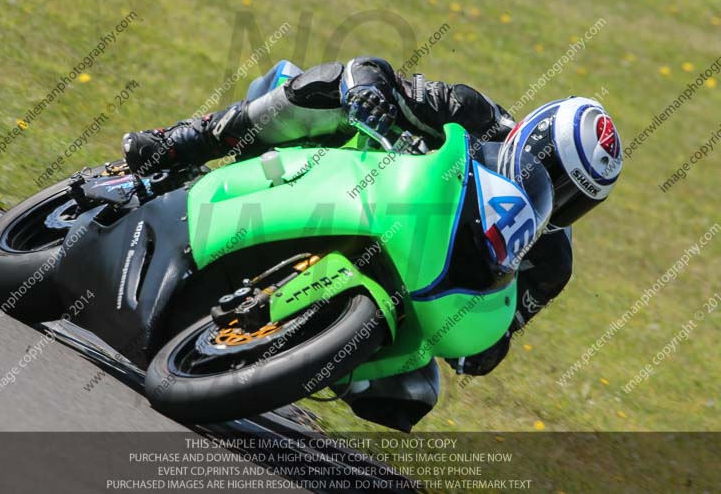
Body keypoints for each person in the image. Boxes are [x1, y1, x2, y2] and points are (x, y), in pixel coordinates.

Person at [122, 57, 623, 430]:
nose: (555, 194)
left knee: (410, 394)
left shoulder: (551, 262)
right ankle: (184, 141)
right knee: (323, 87)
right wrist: (368, 92)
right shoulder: (474, 114)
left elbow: (500, 333)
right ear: (531, 136)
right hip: (355, 179)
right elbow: (373, 70)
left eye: (573, 199)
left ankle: (294, 350)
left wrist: (482, 349)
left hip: (414, 285)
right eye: (551, 171)